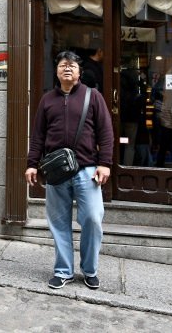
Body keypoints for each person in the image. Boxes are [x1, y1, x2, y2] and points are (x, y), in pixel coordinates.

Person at [25, 50, 113, 291]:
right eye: (63, 65)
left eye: (72, 65)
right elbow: (38, 136)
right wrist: (32, 163)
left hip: (87, 170)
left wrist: (105, 163)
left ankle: (89, 269)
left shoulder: (93, 97)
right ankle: (63, 270)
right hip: (56, 172)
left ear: (79, 72)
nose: (67, 68)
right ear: (56, 70)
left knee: (93, 219)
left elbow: (106, 133)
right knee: (59, 222)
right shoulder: (47, 100)